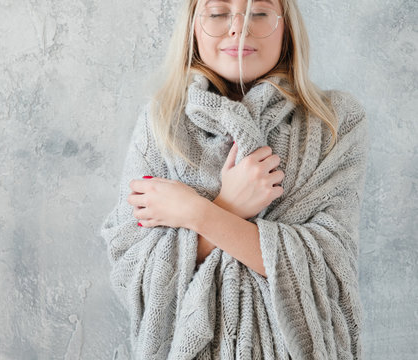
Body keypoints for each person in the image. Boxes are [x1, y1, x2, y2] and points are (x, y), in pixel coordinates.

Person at [100, 0, 369, 359]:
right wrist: (229, 205)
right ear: (193, 27)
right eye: (217, 13)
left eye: (259, 13)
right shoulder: (161, 124)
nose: (239, 28)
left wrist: (197, 213)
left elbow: (330, 265)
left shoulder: (334, 123)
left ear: (286, 27)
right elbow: (130, 266)